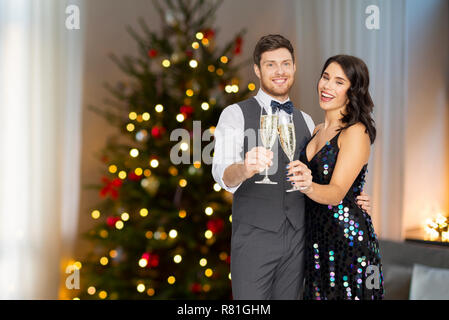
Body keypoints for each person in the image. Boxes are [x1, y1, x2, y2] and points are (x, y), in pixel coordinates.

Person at [212, 35, 372, 299]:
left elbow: (332, 172)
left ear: (294, 68)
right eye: (270, 64)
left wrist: (355, 198)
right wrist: (244, 168)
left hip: (301, 241)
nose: (279, 71)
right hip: (254, 241)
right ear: (257, 69)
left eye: (285, 64)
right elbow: (222, 173)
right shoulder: (235, 114)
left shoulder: (308, 122)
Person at [287, 54, 384, 299]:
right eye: (326, 77)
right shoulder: (316, 130)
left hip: (346, 241)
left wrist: (307, 186)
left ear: (353, 90)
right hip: (316, 240)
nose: (327, 86)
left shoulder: (356, 131)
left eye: (339, 82)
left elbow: (338, 191)